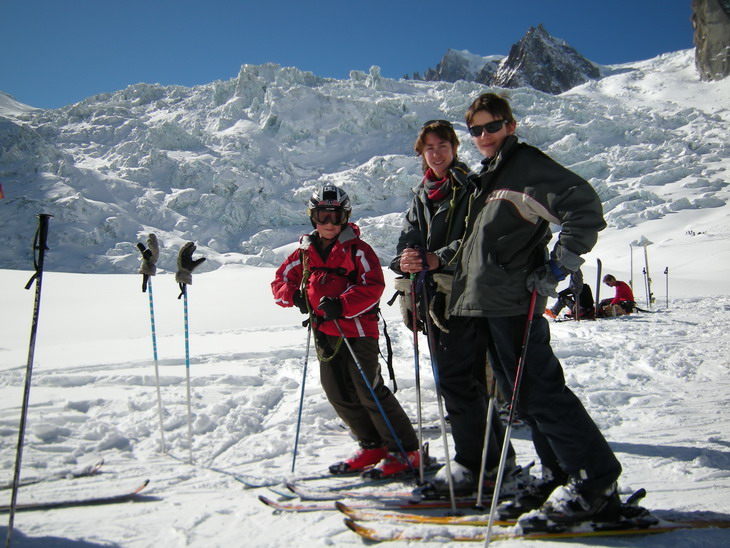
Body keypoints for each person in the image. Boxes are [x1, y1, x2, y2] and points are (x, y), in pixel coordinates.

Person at [448, 93, 622, 523]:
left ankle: (596, 482)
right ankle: (558, 472)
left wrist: (557, 267)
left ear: (510, 125)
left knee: (541, 392)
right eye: (476, 130)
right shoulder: (491, 175)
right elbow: (481, 246)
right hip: (490, 304)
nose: (484, 136)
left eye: (492, 126)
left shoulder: (524, 165)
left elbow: (583, 207)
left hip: (514, 302)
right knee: (523, 397)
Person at [390, 119, 515, 495]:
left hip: (463, 297)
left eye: (442, 145)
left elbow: (474, 237)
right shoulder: (423, 195)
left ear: (454, 148)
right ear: (421, 153)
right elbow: (407, 240)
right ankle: (494, 461)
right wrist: (404, 261)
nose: (436, 152)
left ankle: (473, 465)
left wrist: (435, 259)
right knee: (467, 382)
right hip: (435, 301)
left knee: (459, 382)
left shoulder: (469, 187)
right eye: (429, 147)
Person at [272, 184, 420, 478]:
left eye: (335, 217)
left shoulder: (358, 250)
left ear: (345, 218)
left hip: (357, 332)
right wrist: (294, 295)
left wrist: (341, 304)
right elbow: (281, 281)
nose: (329, 224)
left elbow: (373, 286)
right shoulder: (304, 251)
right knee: (336, 390)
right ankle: (372, 445)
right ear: (313, 217)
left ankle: (406, 451)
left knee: (368, 390)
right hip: (325, 332)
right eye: (322, 216)